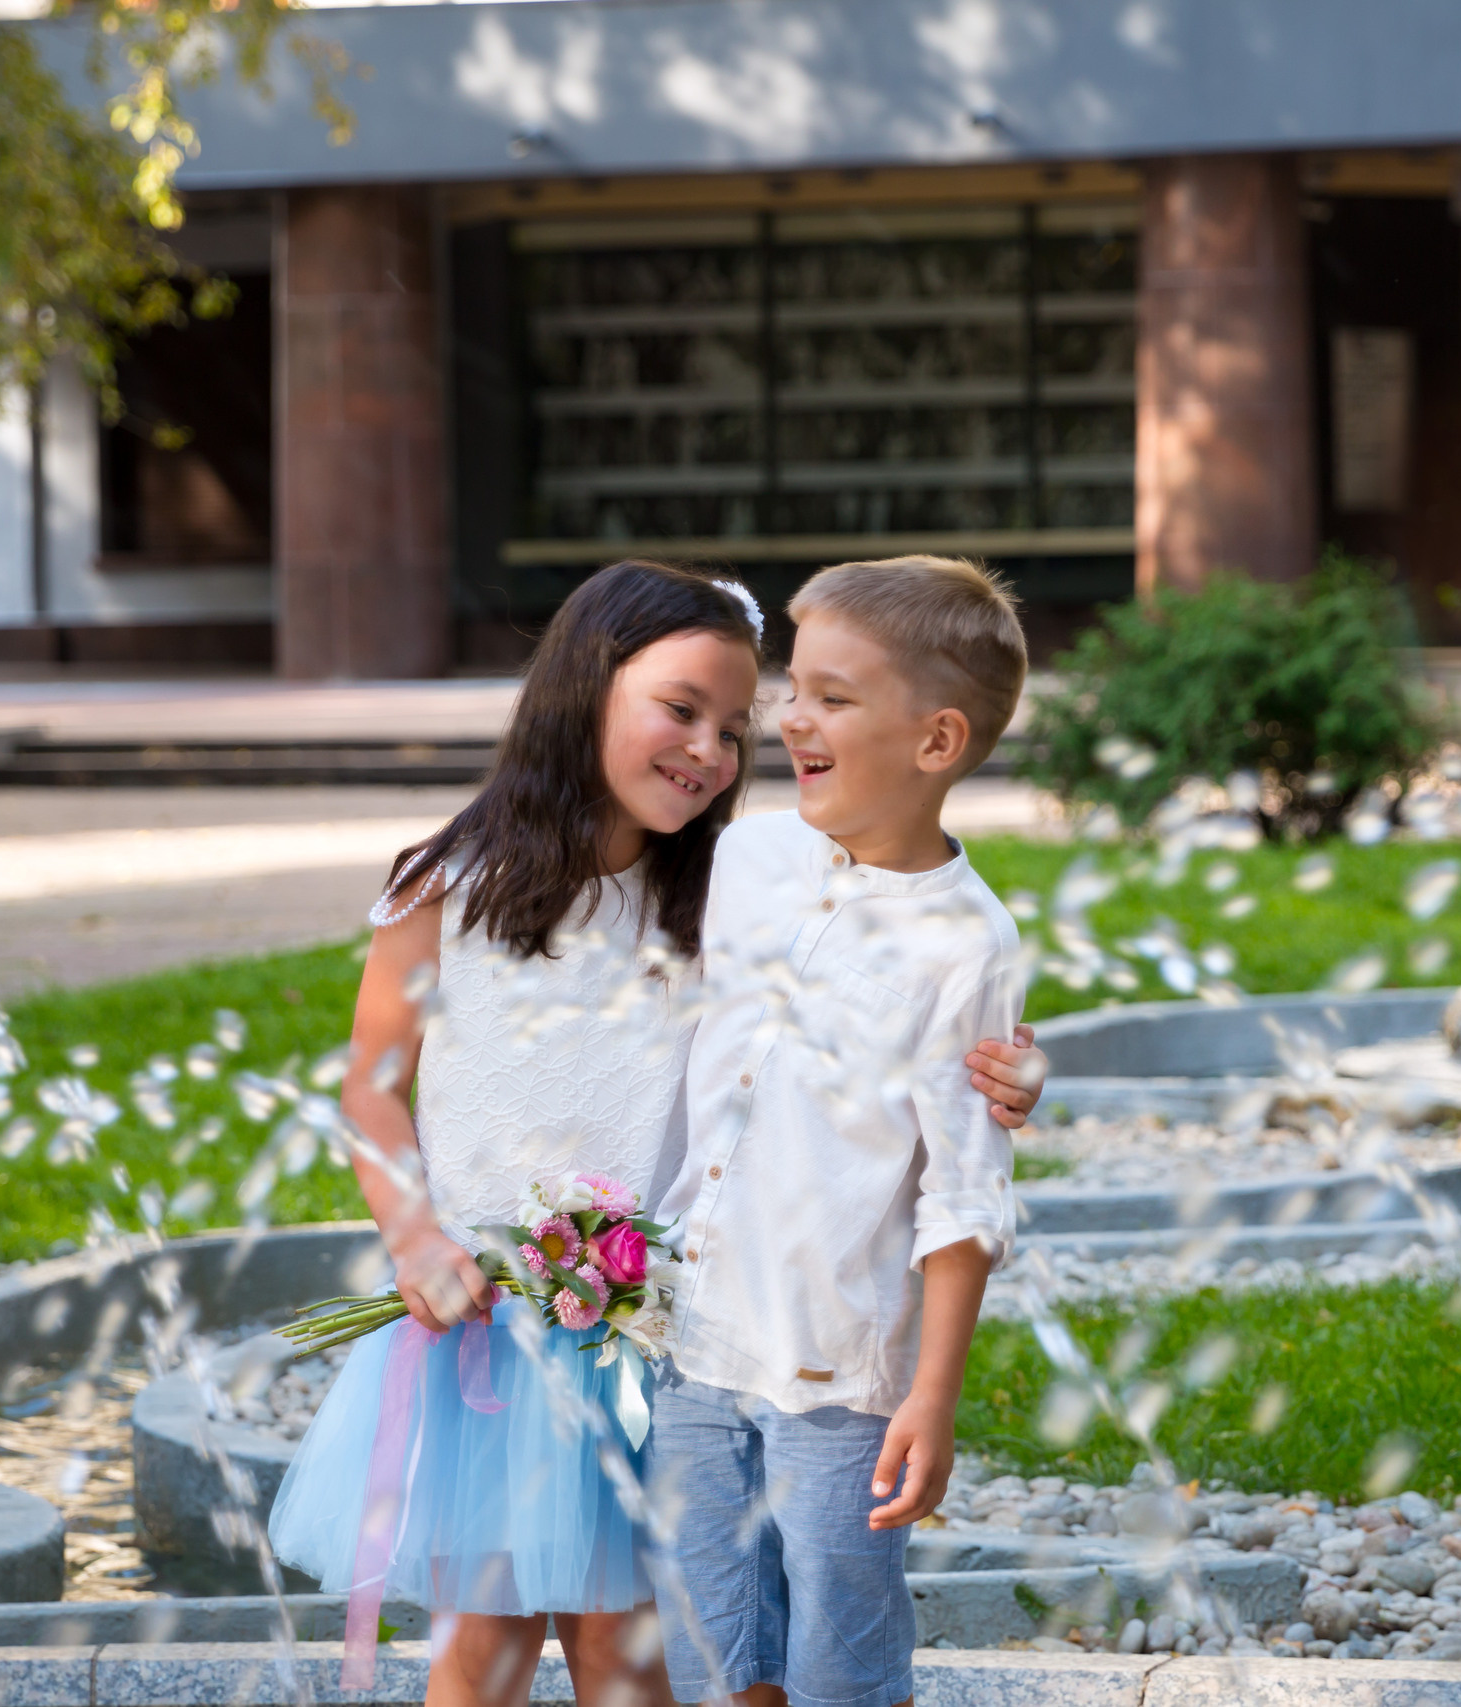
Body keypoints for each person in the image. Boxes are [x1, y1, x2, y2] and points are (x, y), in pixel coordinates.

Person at [265, 559, 1044, 1707]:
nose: (714, 751)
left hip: (675, 1342)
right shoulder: (448, 886)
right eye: (681, 711)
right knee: (484, 1642)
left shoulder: (721, 890)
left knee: (638, 1651)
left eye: (732, 727)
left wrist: (1015, 1066)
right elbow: (374, 1089)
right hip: (499, 1332)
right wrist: (413, 1237)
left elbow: (882, 992)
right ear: (584, 686)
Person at [651, 555, 1032, 1707]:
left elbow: (964, 1192)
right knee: (717, 1653)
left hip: (837, 1370)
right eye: (793, 687)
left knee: (842, 1659)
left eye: (831, 696)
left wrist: (932, 1393)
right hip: (692, 1339)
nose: (789, 716)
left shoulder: (966, 946)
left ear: (935, 742)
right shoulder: (747, 855)